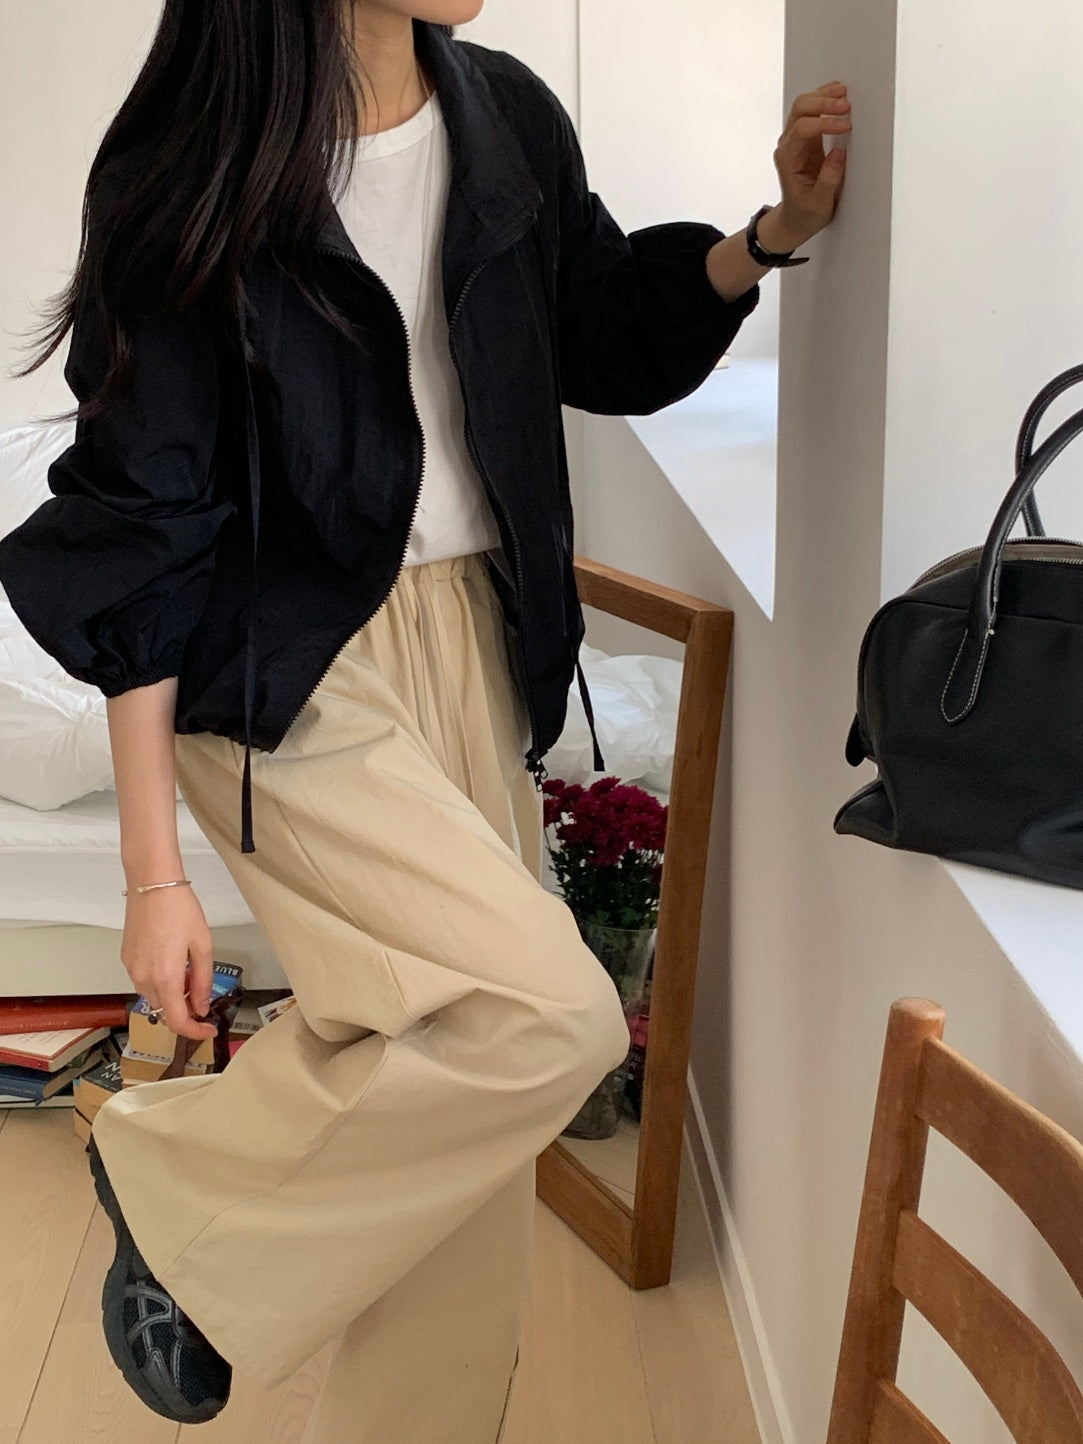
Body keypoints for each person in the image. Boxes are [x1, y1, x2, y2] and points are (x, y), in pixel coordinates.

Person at [0, 2, 850, 1439]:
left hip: (475, 638)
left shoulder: (502, 115)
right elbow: (143, 527)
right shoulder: (195, 162)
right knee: (551, 1017)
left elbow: (596, 329)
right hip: (281, 672)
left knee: (465, 1139)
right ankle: (177, 1178)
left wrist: (765, 238)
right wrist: (154, 878)